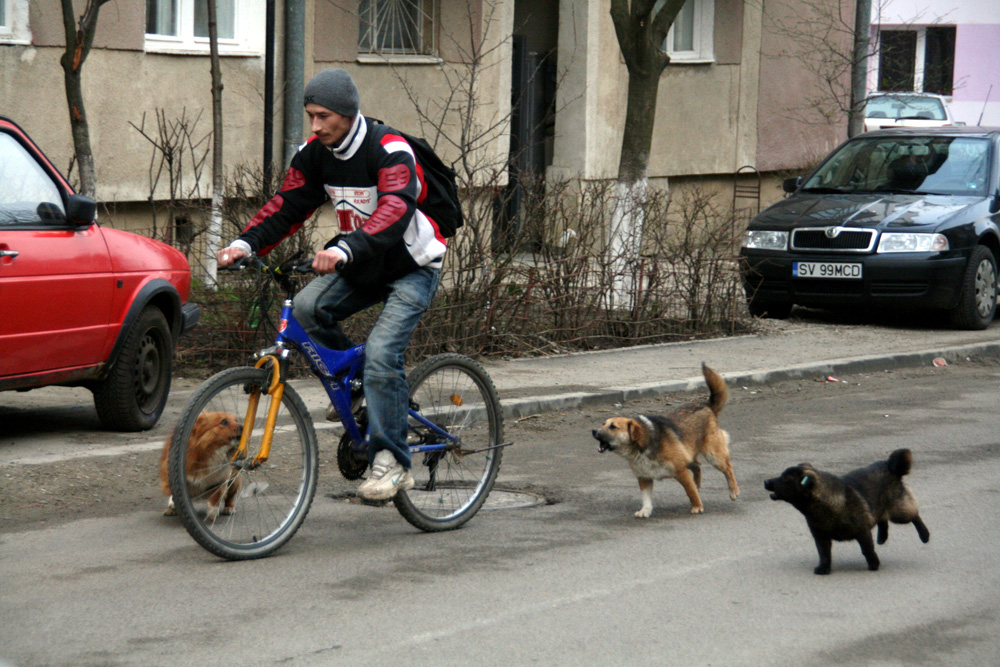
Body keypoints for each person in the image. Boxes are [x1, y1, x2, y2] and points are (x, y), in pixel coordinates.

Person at [217, 68, 447, 502]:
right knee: (306, 310)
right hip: (362, 264)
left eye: (324, 116)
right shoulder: (315, 153)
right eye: (310, 116)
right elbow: (288, 205)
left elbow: (396, 208)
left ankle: (394, 462)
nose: (316, 125)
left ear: (347, 112)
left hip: (412, 264)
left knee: (382, 352)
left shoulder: (390, 149)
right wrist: (245, 242)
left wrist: (346, 248)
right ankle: (363, 391)